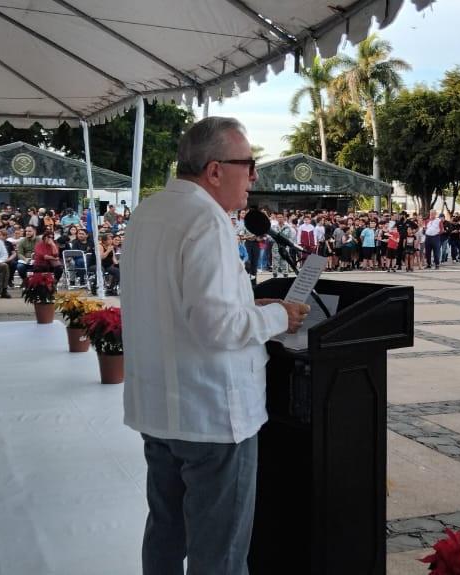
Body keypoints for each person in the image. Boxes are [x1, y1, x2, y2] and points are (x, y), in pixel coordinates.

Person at [120, 117, 310, 575]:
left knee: (165, 535)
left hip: (159, 407)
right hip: (212, 416)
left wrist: (249, 300)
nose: (254, 177)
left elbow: (175, 301)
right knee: (219, 553)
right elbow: (216, 327)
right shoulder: (207, 220)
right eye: (249, 164)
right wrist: (277, 315)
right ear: (214, 170)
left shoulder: (149, 211)